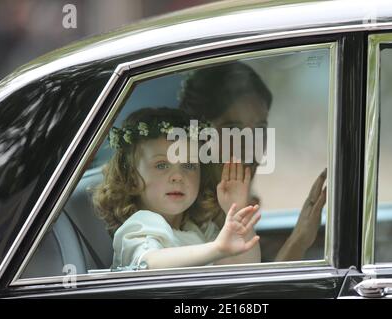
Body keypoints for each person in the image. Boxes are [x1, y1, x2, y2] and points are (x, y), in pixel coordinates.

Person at [179, 62, 327, 261]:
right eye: (232, 128)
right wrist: (298, 241)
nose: (250, 145)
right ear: (199, 136)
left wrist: (301, 236)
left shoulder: (237, 207)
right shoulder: (180, 216)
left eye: (259, 129)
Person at [92, 107, 261, 270]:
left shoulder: (196, 228)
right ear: (132, 179)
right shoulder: (142, 225)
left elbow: (244, 268)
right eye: (161, 165)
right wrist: (217, 248)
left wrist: (239, 210)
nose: (178, 176)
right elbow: (149, 264)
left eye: (188, 165)